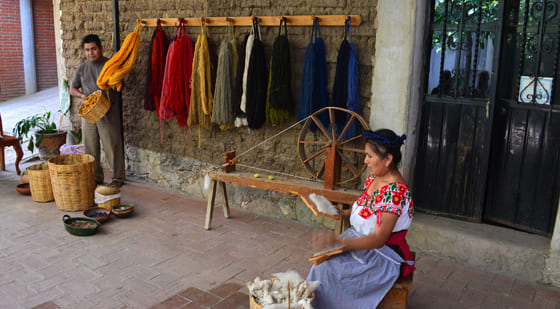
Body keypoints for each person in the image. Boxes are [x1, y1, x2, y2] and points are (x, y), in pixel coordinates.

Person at [307, 128, 415, 309]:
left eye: (370, 156)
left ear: (387, 159)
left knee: (326, 271)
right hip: (361, 242)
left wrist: (343, 245)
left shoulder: (395, 192)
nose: (366, 161)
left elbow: (379, 239)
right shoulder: (377, 178)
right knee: (321, 263)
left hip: (382, 256)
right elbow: (368, 206)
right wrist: (344, 213)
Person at [70, 34, 125, 187]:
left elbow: (120, 85)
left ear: (100, 48)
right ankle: (96, 177)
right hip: (89, 113)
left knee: (112, 145)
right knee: (90, 147)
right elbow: (72, 89)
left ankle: (118, 178)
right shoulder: (82, 68)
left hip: (108, 111)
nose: (90, 53)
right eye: (87, 50)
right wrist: (82, 96)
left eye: (93, 49)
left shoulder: (110, 65)